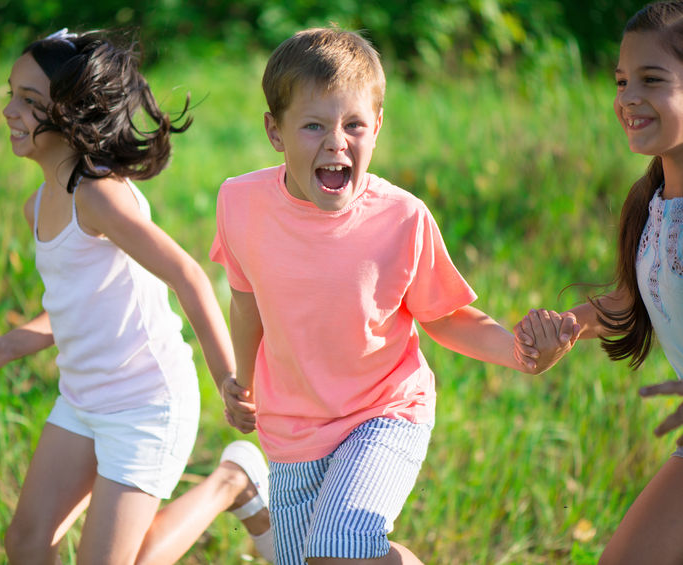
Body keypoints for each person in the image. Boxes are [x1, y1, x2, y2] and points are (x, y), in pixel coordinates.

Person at [209, 27, 573, 565]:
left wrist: (521, 355)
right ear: (275, 131)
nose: (336, 141)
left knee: (337, 549)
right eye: (313, 125)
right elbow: (245, 300)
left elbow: (446, 317)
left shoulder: (401, 218)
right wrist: (243, 383)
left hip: (383, 412)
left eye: (353, 124)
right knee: (309, 559)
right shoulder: (240, 203)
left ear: (377, 127)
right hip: (291, 429)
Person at [0, 29, 274, 564]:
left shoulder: (97, 195)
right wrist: (9, 345)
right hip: (83, 399)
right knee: (26, 543)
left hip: (147, 404)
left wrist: (226, 379)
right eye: (10, 93)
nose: (9, 110)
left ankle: (231, 482)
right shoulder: (38, 205)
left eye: (29, 101)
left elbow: (188, 276)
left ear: (72, 113)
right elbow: (75, 308)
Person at [515, 3, 683, 564]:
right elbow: (640, 298)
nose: (628, 97)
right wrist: (566, 327)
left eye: (651, 80)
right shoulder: (653, 202)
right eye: (621, 81)